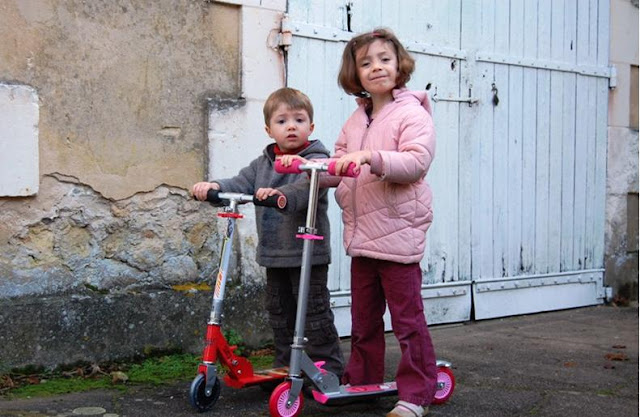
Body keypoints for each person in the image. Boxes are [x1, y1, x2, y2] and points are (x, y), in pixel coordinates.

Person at [280, 28, 437, 417]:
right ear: (355, 73)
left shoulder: (411, 112)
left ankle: (417, 393)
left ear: (399, 64)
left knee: (407, 320)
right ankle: (363, 381)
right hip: (362, 235)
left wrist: (373, 157)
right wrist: (305, 164)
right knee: (364, 319)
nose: (376, 68)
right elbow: (338, 165)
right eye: (365, 63)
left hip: (398, 233)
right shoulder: (357, 119)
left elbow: (416, 162)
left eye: (384, 59)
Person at [191, 87, 344, 378]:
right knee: (280, 313)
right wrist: (213, 188)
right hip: (274, 253)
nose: (291, 126)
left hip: (306, 254)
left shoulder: (316, 161)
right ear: (268, 129)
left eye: (299, 120)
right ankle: (287, 366)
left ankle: (328, 368)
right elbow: (239, 182)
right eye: (282, 121)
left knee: (312, 313)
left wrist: (280, 194)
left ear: (310, 127)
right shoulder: (263, 163)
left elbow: (304, 188)